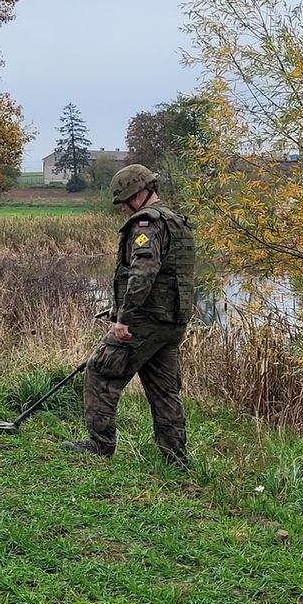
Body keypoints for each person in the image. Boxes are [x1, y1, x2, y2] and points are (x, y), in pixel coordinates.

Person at [63, 164, 196, 467]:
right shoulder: (177, 222)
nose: (123, 209)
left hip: (144, 322)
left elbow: (144, 274)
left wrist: (125, 319)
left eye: (124, 202)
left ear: (137, 195)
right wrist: (117, 309)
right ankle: (175, 459)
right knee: (164, 391)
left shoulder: (147, 224)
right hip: (171, 323)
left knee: (100, 372)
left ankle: (100, 446)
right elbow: (168, 276)